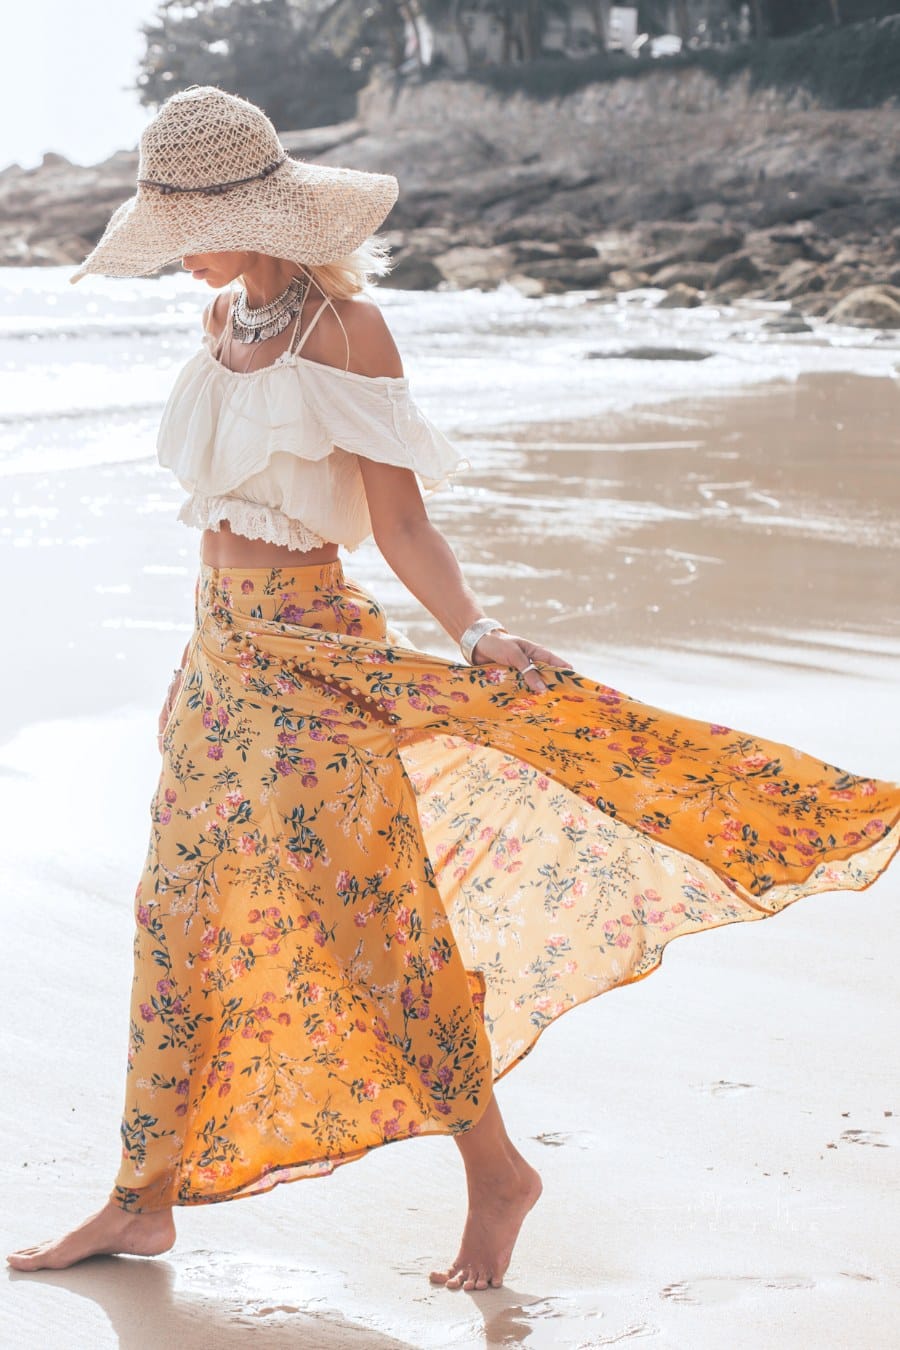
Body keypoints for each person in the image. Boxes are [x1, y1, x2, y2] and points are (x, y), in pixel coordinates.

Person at [8, 86, 900, 1289]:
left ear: (252, 212)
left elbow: (403, 521)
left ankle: (496, 1173)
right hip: (216, 665)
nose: (175, 257)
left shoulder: (345, 333)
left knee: (368, 928)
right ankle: (139, 1198)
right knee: (171, 921)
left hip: (316, 661)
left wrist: (477, 631)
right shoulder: (222, 313)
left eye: (184, 228)